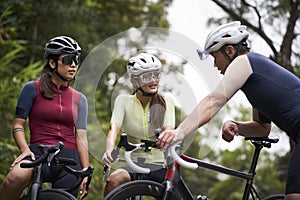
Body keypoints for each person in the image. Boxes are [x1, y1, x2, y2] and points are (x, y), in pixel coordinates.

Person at [157, 21, 300, 200]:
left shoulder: (244, 61)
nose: (216, 65)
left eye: (215, 57)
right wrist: (236, 126)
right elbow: (262, 128)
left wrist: (180, 132)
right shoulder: (255, 82)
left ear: (230, 51)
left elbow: (214, 101)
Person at [0, 36, 90, 200]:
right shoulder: (31, 89)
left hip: (67, 159)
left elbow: (81, 136)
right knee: (13, 180)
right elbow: (18, 124)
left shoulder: (80, 99)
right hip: (37, 154)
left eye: (76, 60)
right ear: (52, 63)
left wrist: (85, 169)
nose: (74, 64)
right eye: (68, 59)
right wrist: (24, 149)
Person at [102, 52, 175, 197]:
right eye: (147, 76)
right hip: (133, 163)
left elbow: (169, 130)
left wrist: (167, 155)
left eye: (156, 75)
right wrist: (109, 151)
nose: (153, 80)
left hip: (160, 165)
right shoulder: (123, 100)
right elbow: (114, 128)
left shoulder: (167, 102)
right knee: (113, 181)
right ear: (135, 81)